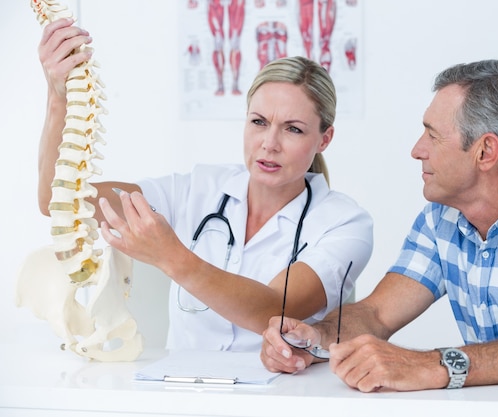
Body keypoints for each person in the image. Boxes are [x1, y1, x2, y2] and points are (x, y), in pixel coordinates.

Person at [260, 59, 498, 415]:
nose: (417, 150)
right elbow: (376, 313)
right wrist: (317, 338)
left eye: (432, 135)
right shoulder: (442, 221)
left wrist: (433, 365)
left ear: (485, 152)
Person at [36, 18, 373, 352]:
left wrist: (171, 256)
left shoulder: (345, 224)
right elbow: (60, 201)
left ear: (324, 139)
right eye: (258, 122)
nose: (269, 143)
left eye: (293, 129)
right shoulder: (199, 188)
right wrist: (58, 99)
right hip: (183, 395)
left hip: (281, 398)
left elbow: (274, 311)